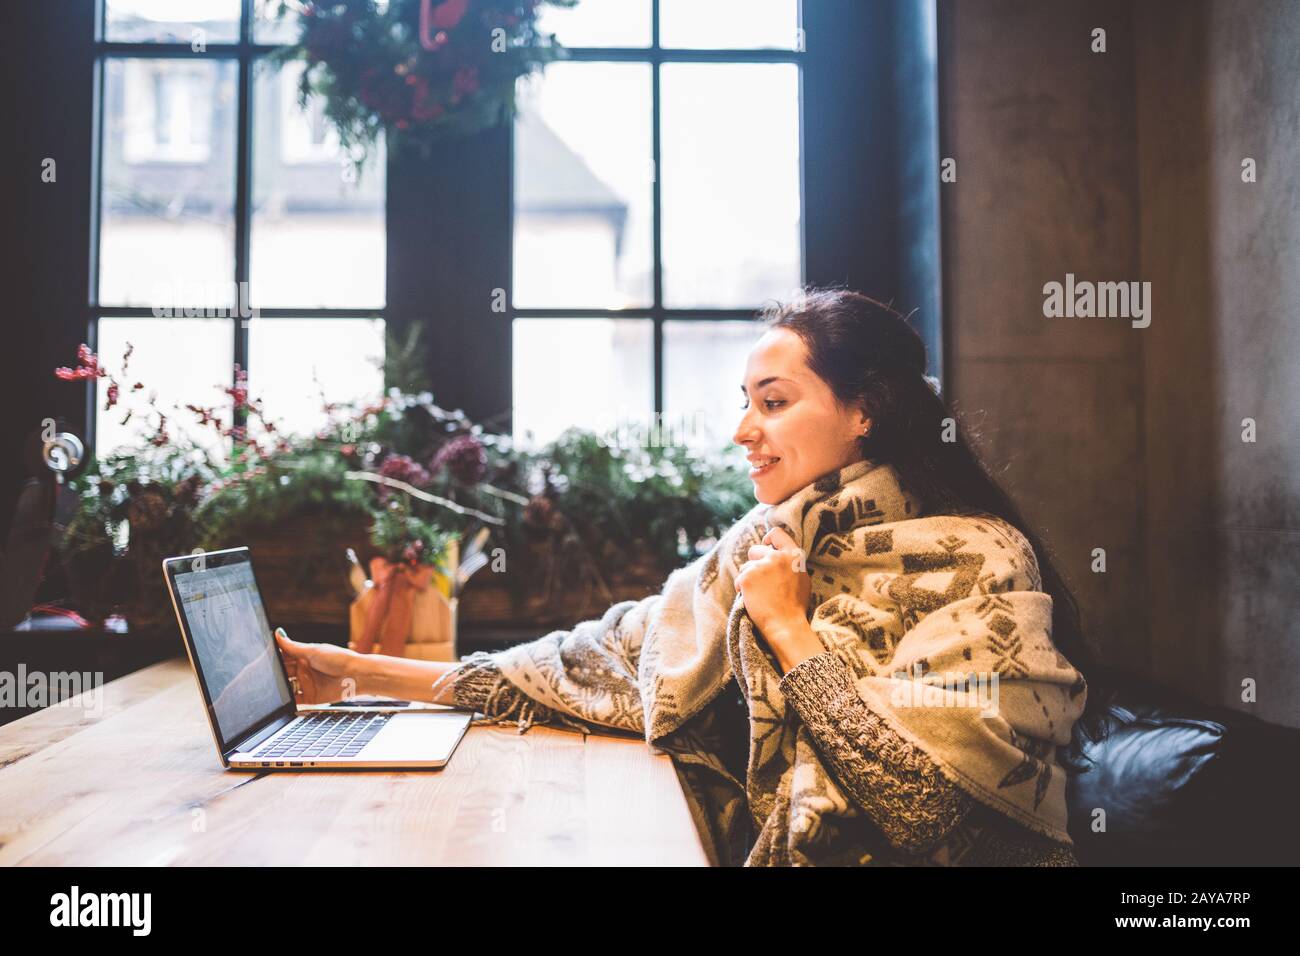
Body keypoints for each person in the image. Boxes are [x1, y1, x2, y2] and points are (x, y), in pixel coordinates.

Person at [277, 286, 1111, 866]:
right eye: (743, 401)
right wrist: (352, 671)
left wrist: (787, 629)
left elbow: (923, 807)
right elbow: (588, 663)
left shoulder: (979, 558)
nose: (744, 429)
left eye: (774, 402)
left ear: (866, 412)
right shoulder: (766, 546)